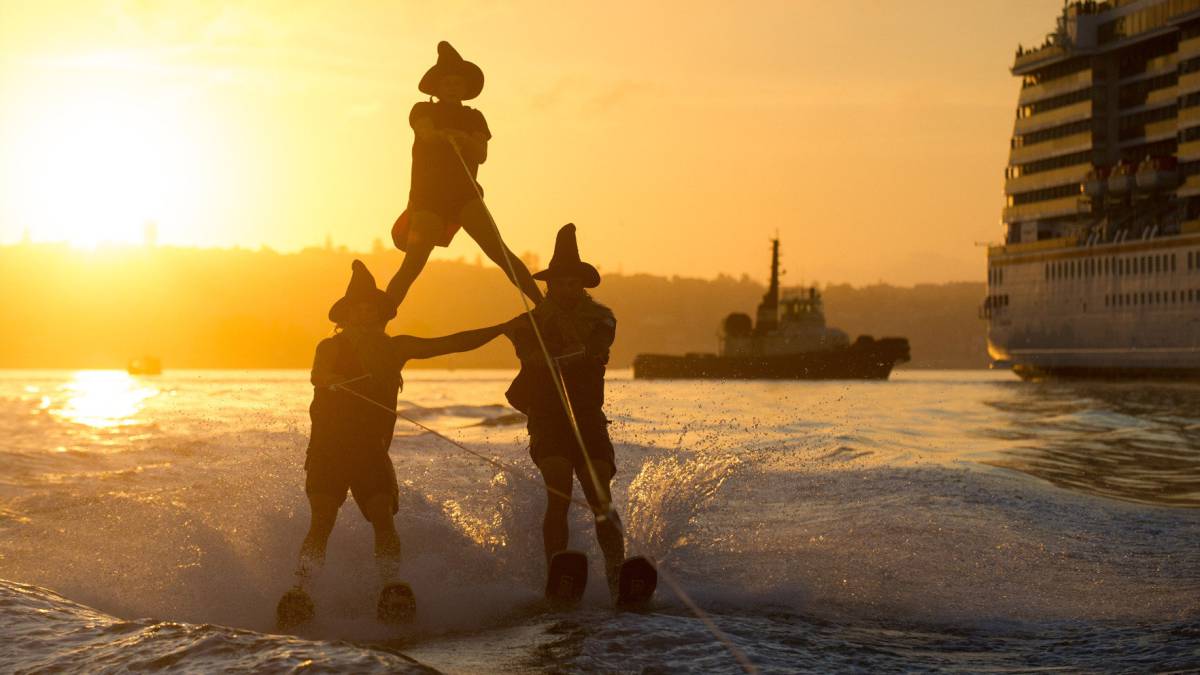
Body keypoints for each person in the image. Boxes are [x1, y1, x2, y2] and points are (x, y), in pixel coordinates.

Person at [279, 259, 515, 626]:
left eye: (370, 308)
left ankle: (390, 585)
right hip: (328, 450)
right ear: (347, 314)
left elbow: (449, 344)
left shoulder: (396, 348)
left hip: (370, 451)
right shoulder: (329, 346)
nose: (364, 314)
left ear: (378, 313)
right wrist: (332, 379)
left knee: (382, 517)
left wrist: (501, 329)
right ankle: (303, 589)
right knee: (322, 521)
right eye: (357, 308)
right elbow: (316, 374)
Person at [504, 223, 625, 597]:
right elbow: (526, 351)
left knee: (599, 493)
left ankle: (617, 573)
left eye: (575, 283)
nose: (568, 289)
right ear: (549, 285)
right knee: (558, 487)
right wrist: (544, 351)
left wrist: (579, 349)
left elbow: (601, 343)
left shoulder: (602, 318)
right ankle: (555, 570)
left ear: (583, 286)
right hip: (548, 416)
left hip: (588, 416)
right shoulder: (532, 322)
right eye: (561, 283)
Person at [386, 41, 543, 307]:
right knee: (413, 264)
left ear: (466, 89)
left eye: (457, 83)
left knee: (500, 253)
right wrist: (443, 136)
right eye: (447, 83)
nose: (452, 87)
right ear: (437, 87)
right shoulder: (422, 110)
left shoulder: (475, 118)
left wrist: (462, 138)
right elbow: (425, 133)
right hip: (429, 198)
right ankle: (381, 318)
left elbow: (480, 153)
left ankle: (543, 305)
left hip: (465, 196)